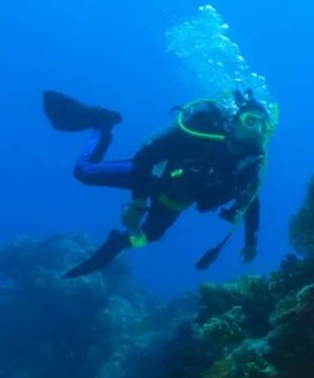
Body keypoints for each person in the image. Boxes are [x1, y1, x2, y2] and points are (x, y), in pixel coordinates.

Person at [42, 88, 274, 277]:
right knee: (83, 172)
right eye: (251, 121)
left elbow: (251, 201)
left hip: (173, 200)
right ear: (235, 121)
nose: (257, 130)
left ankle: (115, 245)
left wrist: (251, 241)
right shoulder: (200, 132)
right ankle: (103, 124)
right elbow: (144, 159)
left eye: (264, 125)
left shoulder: (248, 164)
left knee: (147, 237)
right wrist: (138, 205)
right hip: (148, 174)